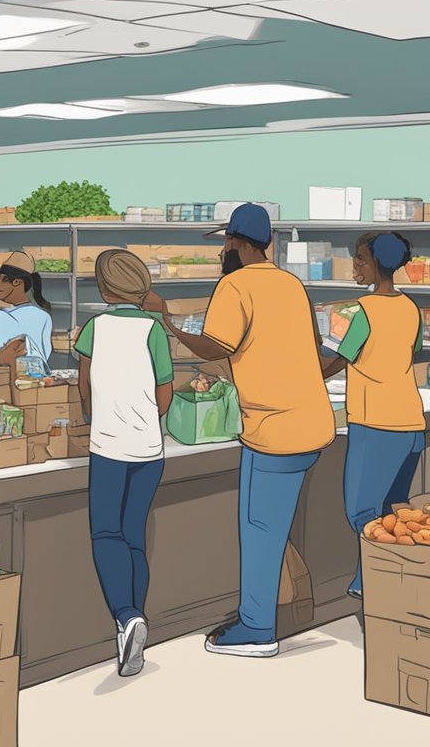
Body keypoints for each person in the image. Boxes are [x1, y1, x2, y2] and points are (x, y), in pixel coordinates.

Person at [147, 203, 335, 658]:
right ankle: (271, 613)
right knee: (278, 526)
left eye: (225, 244)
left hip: (273, 430)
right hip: (312, 421)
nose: (222, 253)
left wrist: (167, 321)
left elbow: (216, 345)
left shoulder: (235, 285)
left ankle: (257, 629)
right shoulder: (291, 284)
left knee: (259, 528)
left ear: (237, 243)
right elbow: (310, 350)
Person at [76, 249, 174, 677]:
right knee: (133, 536)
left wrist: (97, 420)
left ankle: (126, 615)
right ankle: (133, 631)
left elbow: (84, 386)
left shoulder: (93, 328)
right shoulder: (154, 330)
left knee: (105, 533)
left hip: (108, 447)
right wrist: (144, 419)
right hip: (149, 451)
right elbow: (165, 390)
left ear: (103, 288)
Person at [321, 232, 425, 599]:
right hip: (411, 425)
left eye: (361, 260)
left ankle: (380, 584)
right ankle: (371, 582)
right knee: (392, 511)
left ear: (378, 264)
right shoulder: (411, 308)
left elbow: (333, 362)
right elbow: (410, 352)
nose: (356, 268)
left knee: (360, 513)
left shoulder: (361, 312)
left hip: (376, 424)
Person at [0, 251, 54, 367]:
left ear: (17, 282)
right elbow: (45, 354)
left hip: (5, 378)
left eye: (3, 279)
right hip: (37, 378)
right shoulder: (44, 317)